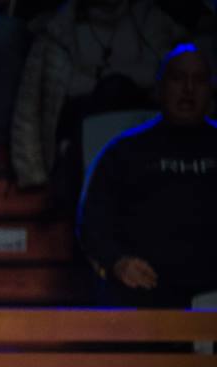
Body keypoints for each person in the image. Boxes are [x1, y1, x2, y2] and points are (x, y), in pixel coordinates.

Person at [77, 43, 217, 307]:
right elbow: (93, 224)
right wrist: (118, 262)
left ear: (211, 89)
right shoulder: (123, 151)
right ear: (160, 87)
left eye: (199, 80)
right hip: (144, 291)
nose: (188, 89)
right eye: (178, 78)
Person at [10, 0, 186, 197]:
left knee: (116, 89)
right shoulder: (59, 29)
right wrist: (32, 172)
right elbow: (29, 106)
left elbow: (169, 75)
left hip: (140, 125)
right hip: (78, 128)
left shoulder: (151, 22)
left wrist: (104, 77)